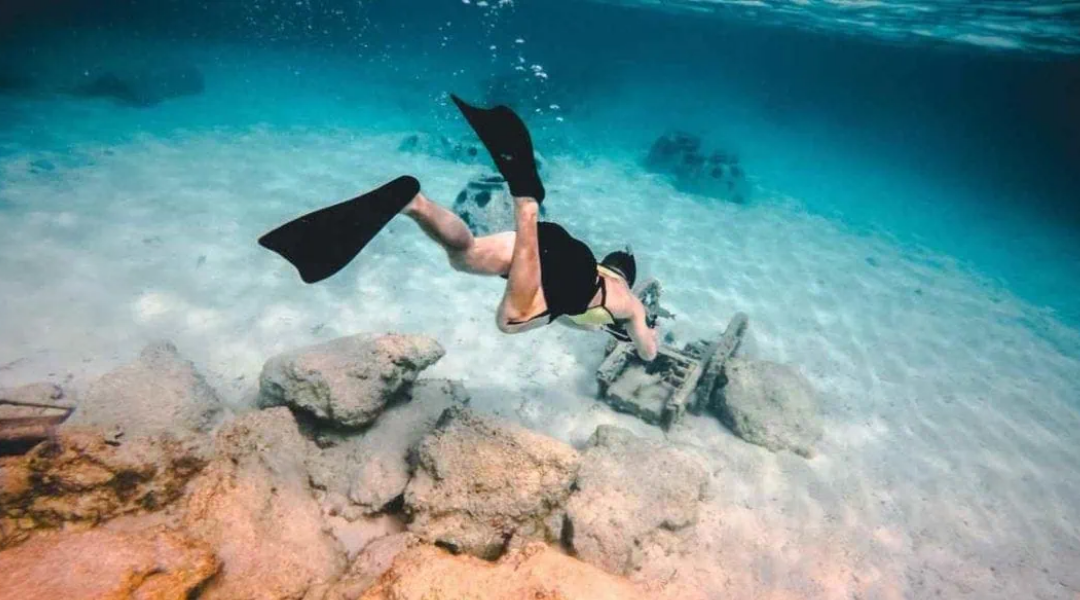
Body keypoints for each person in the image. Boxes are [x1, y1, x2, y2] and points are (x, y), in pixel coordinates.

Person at [258, 94, 658, 361]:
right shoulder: (628, 303)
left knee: (465, 257)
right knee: (510, 321)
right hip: (572, 278)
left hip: (563, 247)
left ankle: (415, 204)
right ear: (626, 277)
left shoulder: (604, 275)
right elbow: (648, 352)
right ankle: (526, 204)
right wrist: (645, 336)